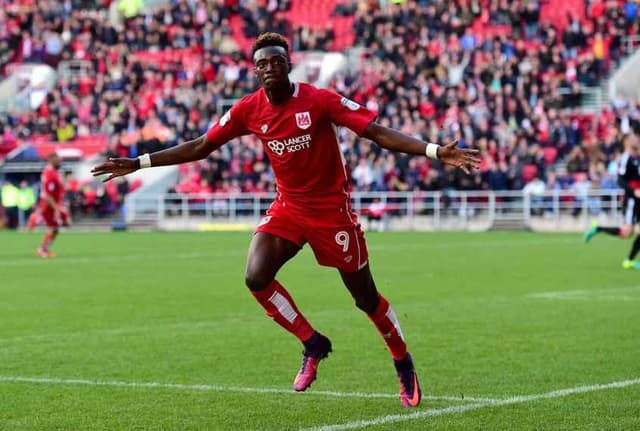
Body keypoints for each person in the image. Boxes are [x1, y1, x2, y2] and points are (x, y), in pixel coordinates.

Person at [91, 32, 481, 407]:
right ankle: (312, 342)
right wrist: (139, 162)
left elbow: (376, 133)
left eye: (277, 61)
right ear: (255, 70)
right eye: (262, 63)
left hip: (332, 213)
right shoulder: (248, 109)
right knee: (255, 276)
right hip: (289, 209)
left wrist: (433, 151)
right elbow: (201, 145)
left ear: (289, 64)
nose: (269, 68)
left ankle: (402, 360)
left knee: (365, 298)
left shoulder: (319, 101)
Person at [584, 133, 640, 269]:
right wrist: (634, 192)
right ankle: (597, 228)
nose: (637, 139)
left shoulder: (636, 157)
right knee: (627, 232)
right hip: (632, 200)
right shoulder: (626, 159)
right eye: (634, 138)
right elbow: (620, 180)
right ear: (626, 142)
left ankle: (629, 261)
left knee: (630, 233)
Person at [29, 152, 70, 257]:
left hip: (54, 204)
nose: (60, 162)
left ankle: (37, 217)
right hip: (49, 206)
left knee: (61, 225)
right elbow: (47, 195)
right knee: (54, 228)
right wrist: (56, 208)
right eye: (58, 160)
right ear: (52, 159)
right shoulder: (50, 173)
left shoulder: (53, 172)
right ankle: (42, 250)